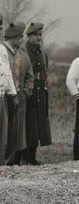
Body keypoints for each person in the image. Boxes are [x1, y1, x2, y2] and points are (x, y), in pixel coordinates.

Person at [3, 22, 33, 166]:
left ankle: (14, 161)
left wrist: (26, 92)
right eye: (20, 36)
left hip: (19, 99)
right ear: (12, 37)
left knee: (18, 131)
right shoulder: (3, 52)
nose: (22, 39)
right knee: (4, 129)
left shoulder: (23, 56)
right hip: (4, 98)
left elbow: (29, 76)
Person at [23, 22, 51, 165]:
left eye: (40, 35)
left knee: (37, 124)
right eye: (36, 35)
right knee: (27, 123)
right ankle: (23, 157)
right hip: (28, 91)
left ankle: (31, 157)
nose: (39, 37)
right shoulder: (24, 51)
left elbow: (44, 74)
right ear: (29, 36)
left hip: (39, 90)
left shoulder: (42, 53)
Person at [0, 16, 18, 166]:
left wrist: (12, 94)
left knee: (2, 135)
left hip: (2, 97)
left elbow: (7, 73)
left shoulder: (2, 49)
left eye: (0, 29)